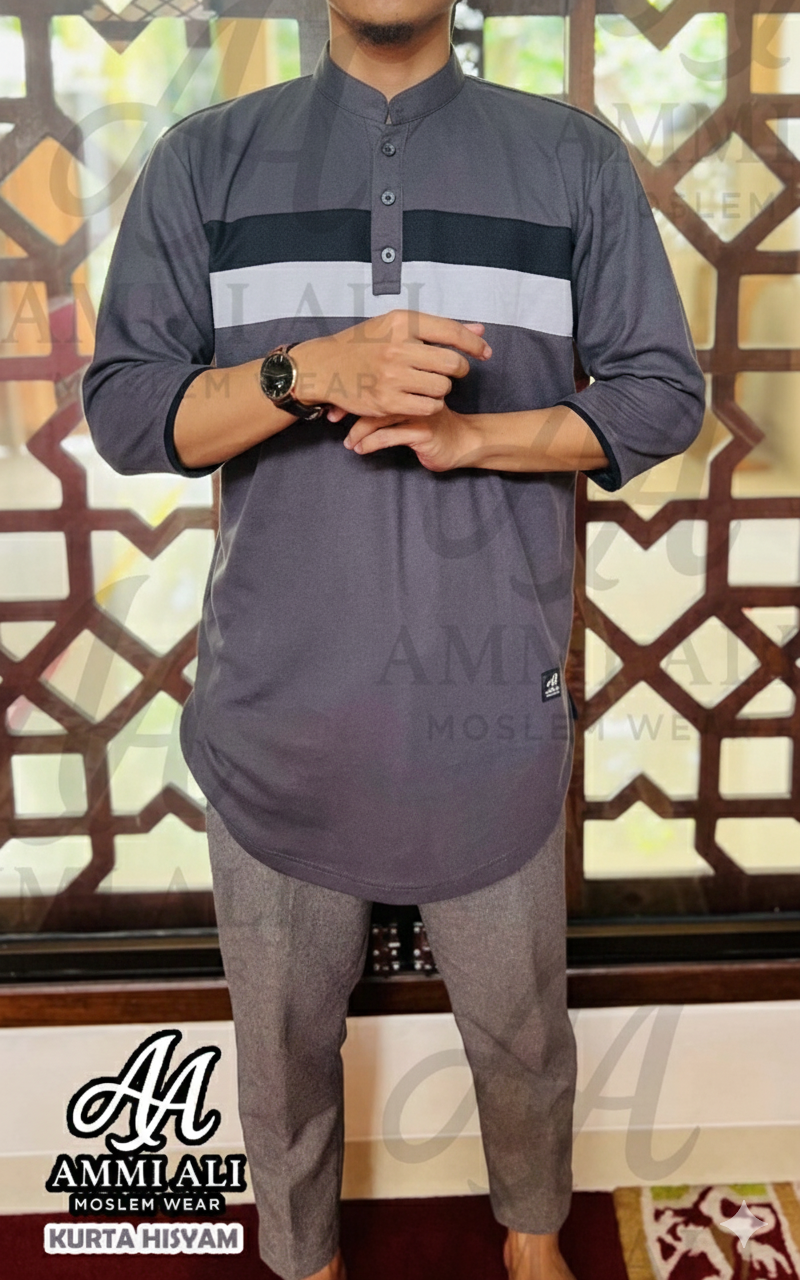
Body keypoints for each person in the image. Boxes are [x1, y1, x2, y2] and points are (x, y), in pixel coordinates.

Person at [82, 2, 706, 1277]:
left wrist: (476, 436)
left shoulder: (569, 158)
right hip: (276, 710)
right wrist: (304, 370)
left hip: (488, 708)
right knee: (279, 1045)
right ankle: (301, 1253)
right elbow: (130, 412)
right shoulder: (207, 159)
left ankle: (531, 1238)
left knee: (521, 1033)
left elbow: (659, 395)